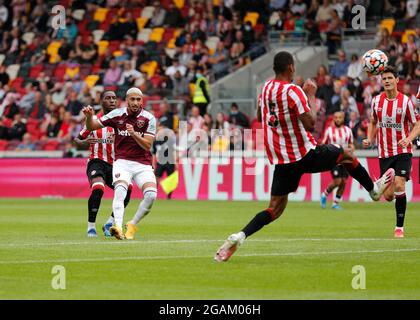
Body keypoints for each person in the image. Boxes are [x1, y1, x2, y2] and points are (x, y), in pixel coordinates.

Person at [214, 51, 395, 262]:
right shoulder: (293, 91)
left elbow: (261, 115)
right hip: (305, 153)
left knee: (274, 209)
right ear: (291, 68)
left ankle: (240, 236)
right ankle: (373, 191)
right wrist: (310, 94)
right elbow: (311, 123)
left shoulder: (265, 89)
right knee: (346, 154)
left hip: (283, 161)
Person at [82, 87, 157, 240]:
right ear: (127, 100)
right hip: (122, 162)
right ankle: (116, 226)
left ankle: (132, 224)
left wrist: (134, 134)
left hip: (143, 163)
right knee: (121, 190)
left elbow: (147, 145)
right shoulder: (117, 114)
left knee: (151, 196)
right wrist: (89, 117)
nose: (135, 103)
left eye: (138, 99)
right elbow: (91, 127)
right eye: (132, 99)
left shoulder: (149, 118)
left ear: (142, 101)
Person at [363, 66, 420, 238]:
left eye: (390, 78)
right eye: (384, 78)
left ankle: (399, 229)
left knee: (400, 184)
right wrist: (369, 138)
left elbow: (417, 124)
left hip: (403, 150)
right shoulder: (376, 102)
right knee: (388, 196)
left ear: (397, 80)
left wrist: (409, 139)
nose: (387, 81)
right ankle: (388, 176)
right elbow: (373, 122)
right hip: (385, 152)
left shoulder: (406, 102)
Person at [74, 91, 132, 237]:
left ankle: (109, 223)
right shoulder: (93, 120)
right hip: (97, 161)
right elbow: (77, 141)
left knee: (128, 189)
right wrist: (85, 142)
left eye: (114, 98)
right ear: (101, 102)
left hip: (115, 165)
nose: (112, 100)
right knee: (98, 188)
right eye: (108, 98)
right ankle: (91, 227)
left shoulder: (121, 121)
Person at [320, 111, 355, 210]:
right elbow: (323, 144)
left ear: (343, 119)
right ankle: (324, 194)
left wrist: (352, 149)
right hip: (333, 159)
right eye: (336, 117)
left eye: (340, 117)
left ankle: (335, 203)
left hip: (345, 159)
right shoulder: (329, 131)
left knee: (344, 181)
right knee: (337, 181)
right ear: (333, 119)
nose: (338, 119)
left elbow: (351, 143)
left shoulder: (348, 130)